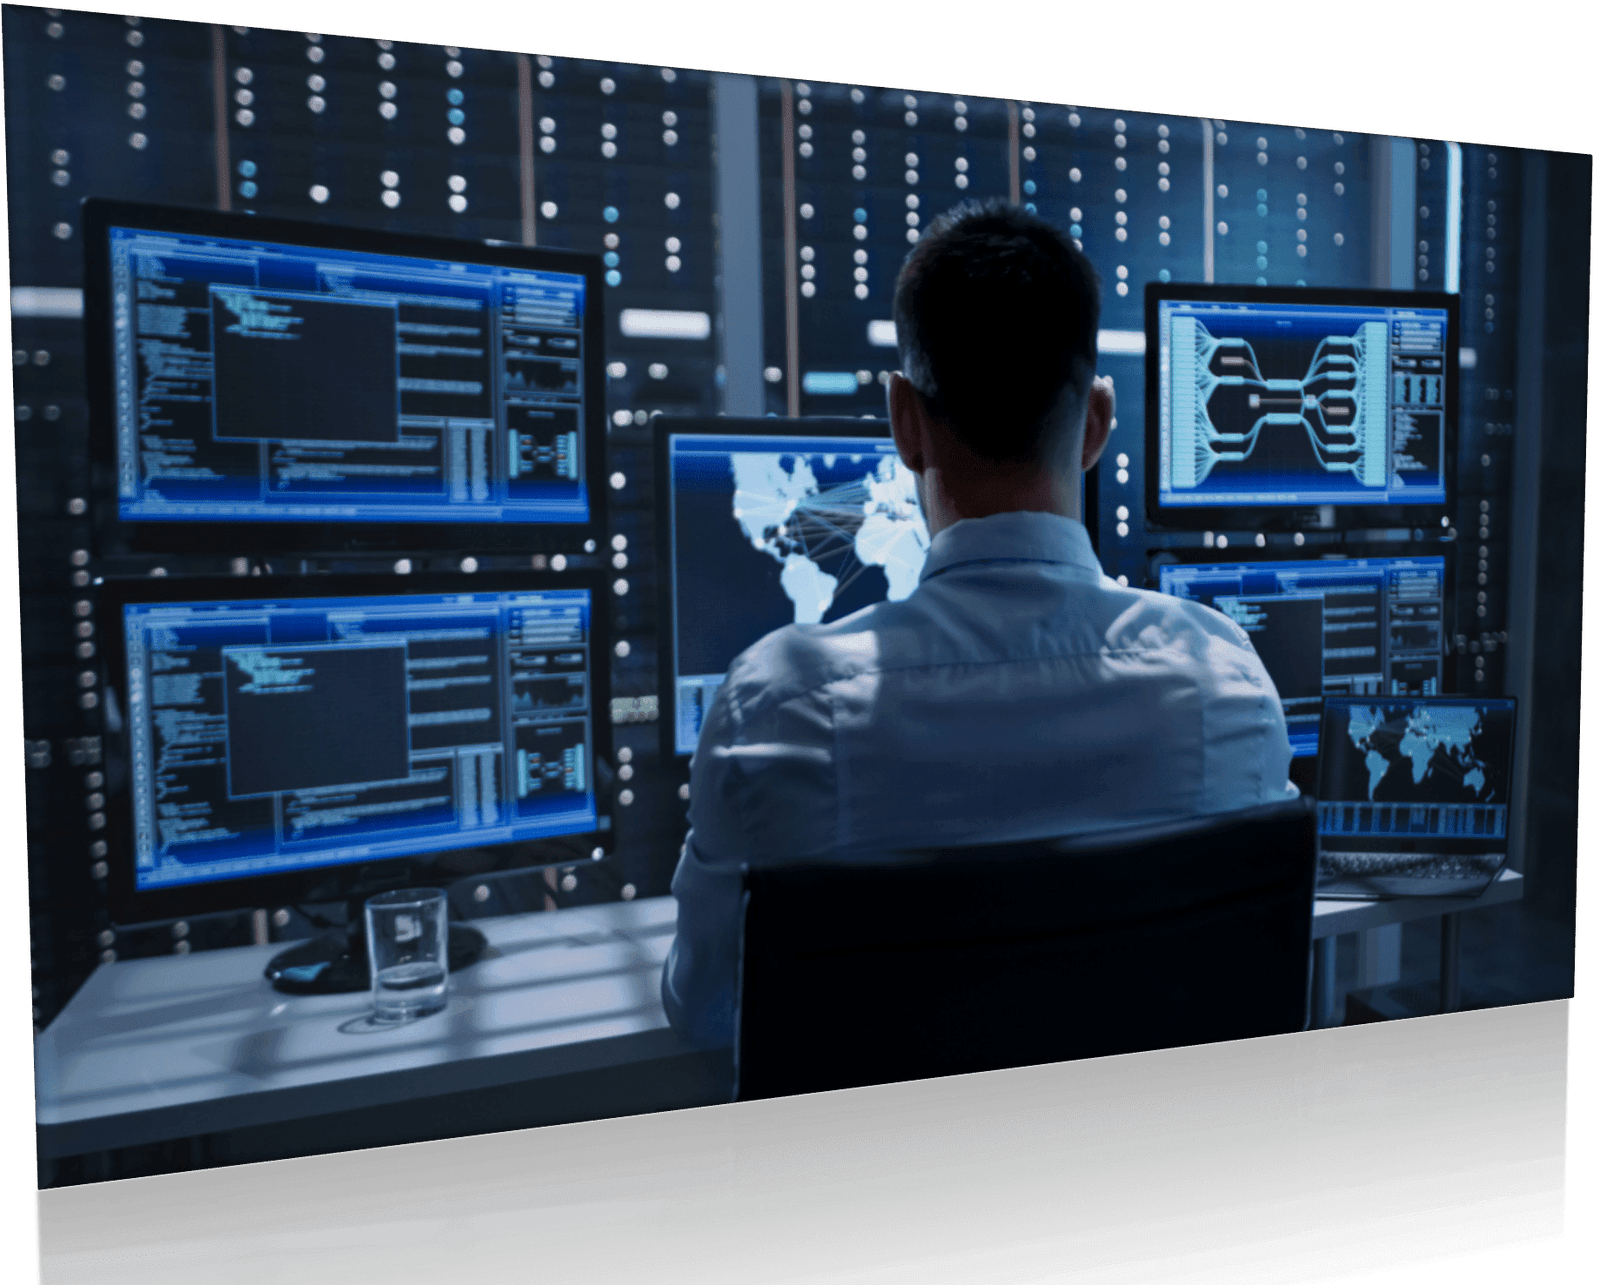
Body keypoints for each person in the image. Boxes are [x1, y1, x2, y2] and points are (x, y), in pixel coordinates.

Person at [662, 199, 1297, 1049]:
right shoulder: (1228, 686)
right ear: (1098, 424)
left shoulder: (778, 710)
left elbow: (704, 1013)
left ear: (903, 421)